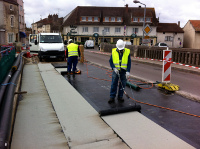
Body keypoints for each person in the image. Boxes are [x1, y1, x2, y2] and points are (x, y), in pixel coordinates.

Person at [108, 39, 131, 103]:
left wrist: (128, 71)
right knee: (114, 84)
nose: (120, 50)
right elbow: (111, 61)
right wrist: (114, 68)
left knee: (122, 84)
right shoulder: (114, 52)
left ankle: (120, 96)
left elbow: (129, 62)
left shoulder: (127, 52)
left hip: (123, 71)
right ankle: (112, 97)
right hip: (116, 71)